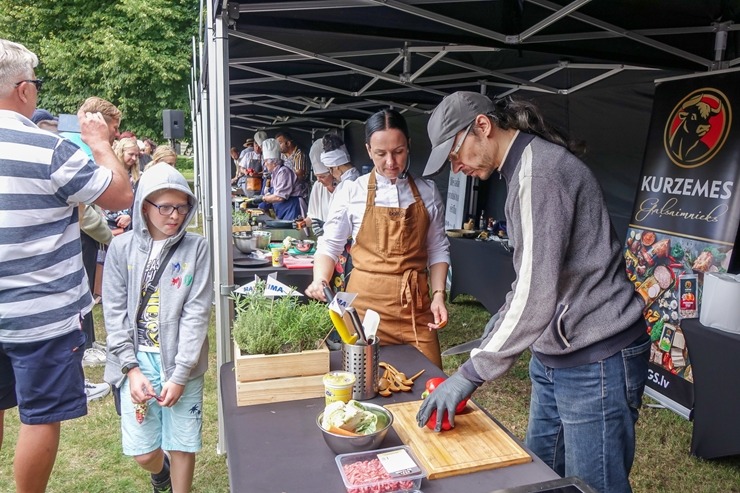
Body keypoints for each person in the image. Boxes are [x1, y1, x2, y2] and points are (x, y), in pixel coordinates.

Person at [415, 91, 650, 493]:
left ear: (483, 127)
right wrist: (489, 337)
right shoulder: (522, 168)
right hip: (555, 356)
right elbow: (527, 281)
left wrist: (469, 374)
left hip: (597, 358)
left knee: (594, 487)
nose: (456, 167)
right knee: (539, 477)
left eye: (455, 153)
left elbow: (535, 294)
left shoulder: (538, 173)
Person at [0, 38, 133, 493]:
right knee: (39, 416)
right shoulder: (47, 147)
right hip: (43, 314)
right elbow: (119, 194)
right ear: (22, 89)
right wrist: (98, 141)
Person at [305, 109, 450, 367]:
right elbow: (330, 245)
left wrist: (438, 294)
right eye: (381, 154)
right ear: (369, 150)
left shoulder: (428, 192)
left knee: (431, 386)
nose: (391, 162)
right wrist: (320, 279)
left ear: (409, 147)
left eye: (398, 151)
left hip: (416, 313)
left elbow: (437, 248)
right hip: (365, 314)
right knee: (367, 389)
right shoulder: (352, 191)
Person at [102, 162, 212, 493]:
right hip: (137, 361)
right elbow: (114, 310)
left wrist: (180, 374)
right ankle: (159, 471)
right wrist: (131, 369)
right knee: (144, 451)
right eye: (165, 206)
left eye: (182, 207)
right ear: (144, 206)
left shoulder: (197, 248)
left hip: (182, 362)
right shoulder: (120, 248)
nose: (174, 215)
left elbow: (197, 313)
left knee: (182, 444)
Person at [256, 138, 306, 220]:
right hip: (284, 208)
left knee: (293, 232)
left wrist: (263, 198)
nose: (264, 164)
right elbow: (274, 191)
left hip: (292, 207)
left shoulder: (284, 172)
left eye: (265, 161)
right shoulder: (275, 173)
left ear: (273, 162)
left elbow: (280, 197)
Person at [306, 138, 336, 227]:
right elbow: (311, 217)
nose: (318, 180)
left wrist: (325, 226)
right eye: (316, 176)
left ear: (333, 172)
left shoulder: (344, 187)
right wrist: (302, 223)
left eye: (322, 176)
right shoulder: (317, 186)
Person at [276, 130, 309, 198]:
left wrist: (283, 177)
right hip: (284, 190)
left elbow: (299, 174)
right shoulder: (281, 155)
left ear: (288, 143)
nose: (278, 146)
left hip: (297, 193)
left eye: (280, 143)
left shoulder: (299, 154)